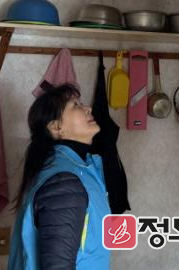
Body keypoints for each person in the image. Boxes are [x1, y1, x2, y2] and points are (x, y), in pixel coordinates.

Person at [8, 84, 110, 270]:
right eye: (76, 105)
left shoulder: (78, 169)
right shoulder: (64, 181)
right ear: (56, 127)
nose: (88, 108)